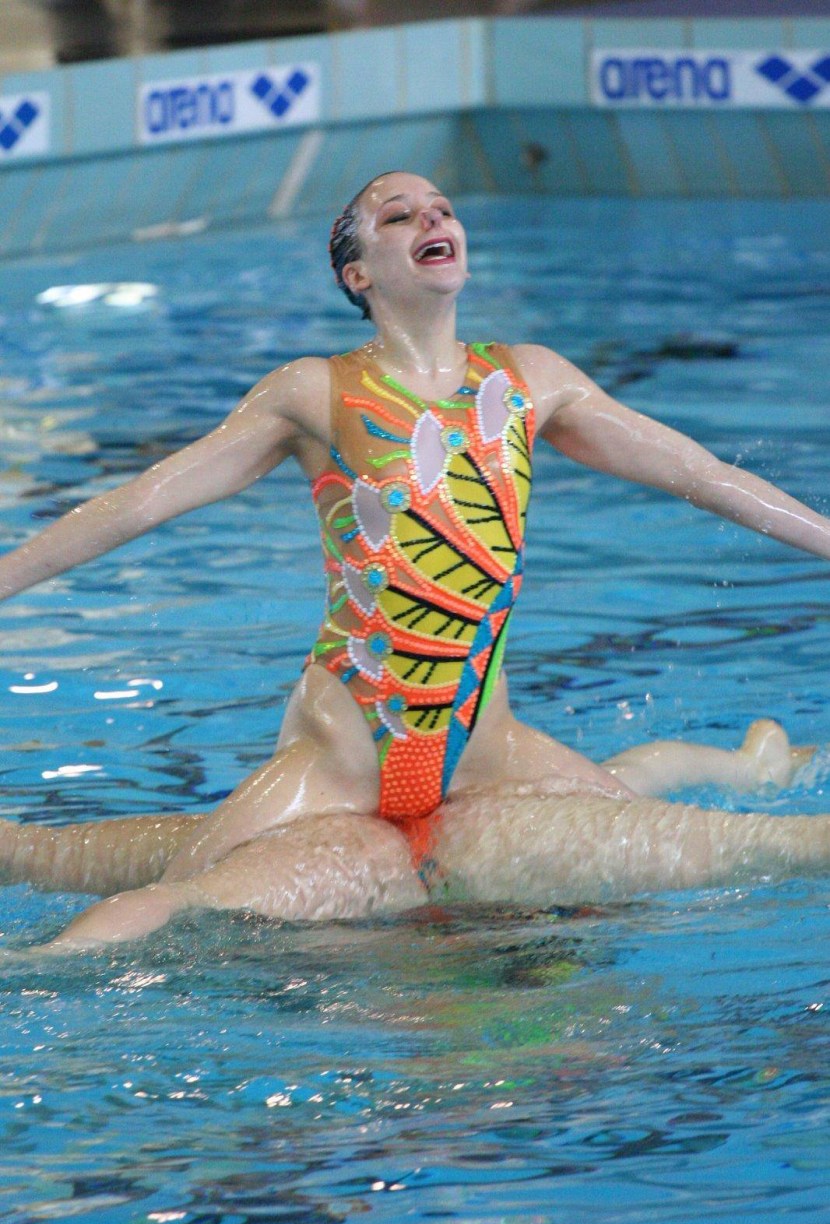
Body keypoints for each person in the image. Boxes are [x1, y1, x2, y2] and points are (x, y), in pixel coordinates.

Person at [1, 170, 828, 950]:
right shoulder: (315, 392)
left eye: (442, 208)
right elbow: (140, 501)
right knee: (179, 891)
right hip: (345, 754)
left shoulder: (531, 381)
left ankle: (746, 766)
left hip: (485, 747)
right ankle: (32, 972)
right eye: (398, 216)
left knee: (616, 811)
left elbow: (703, 476)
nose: (433, 217)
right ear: (357, 275)